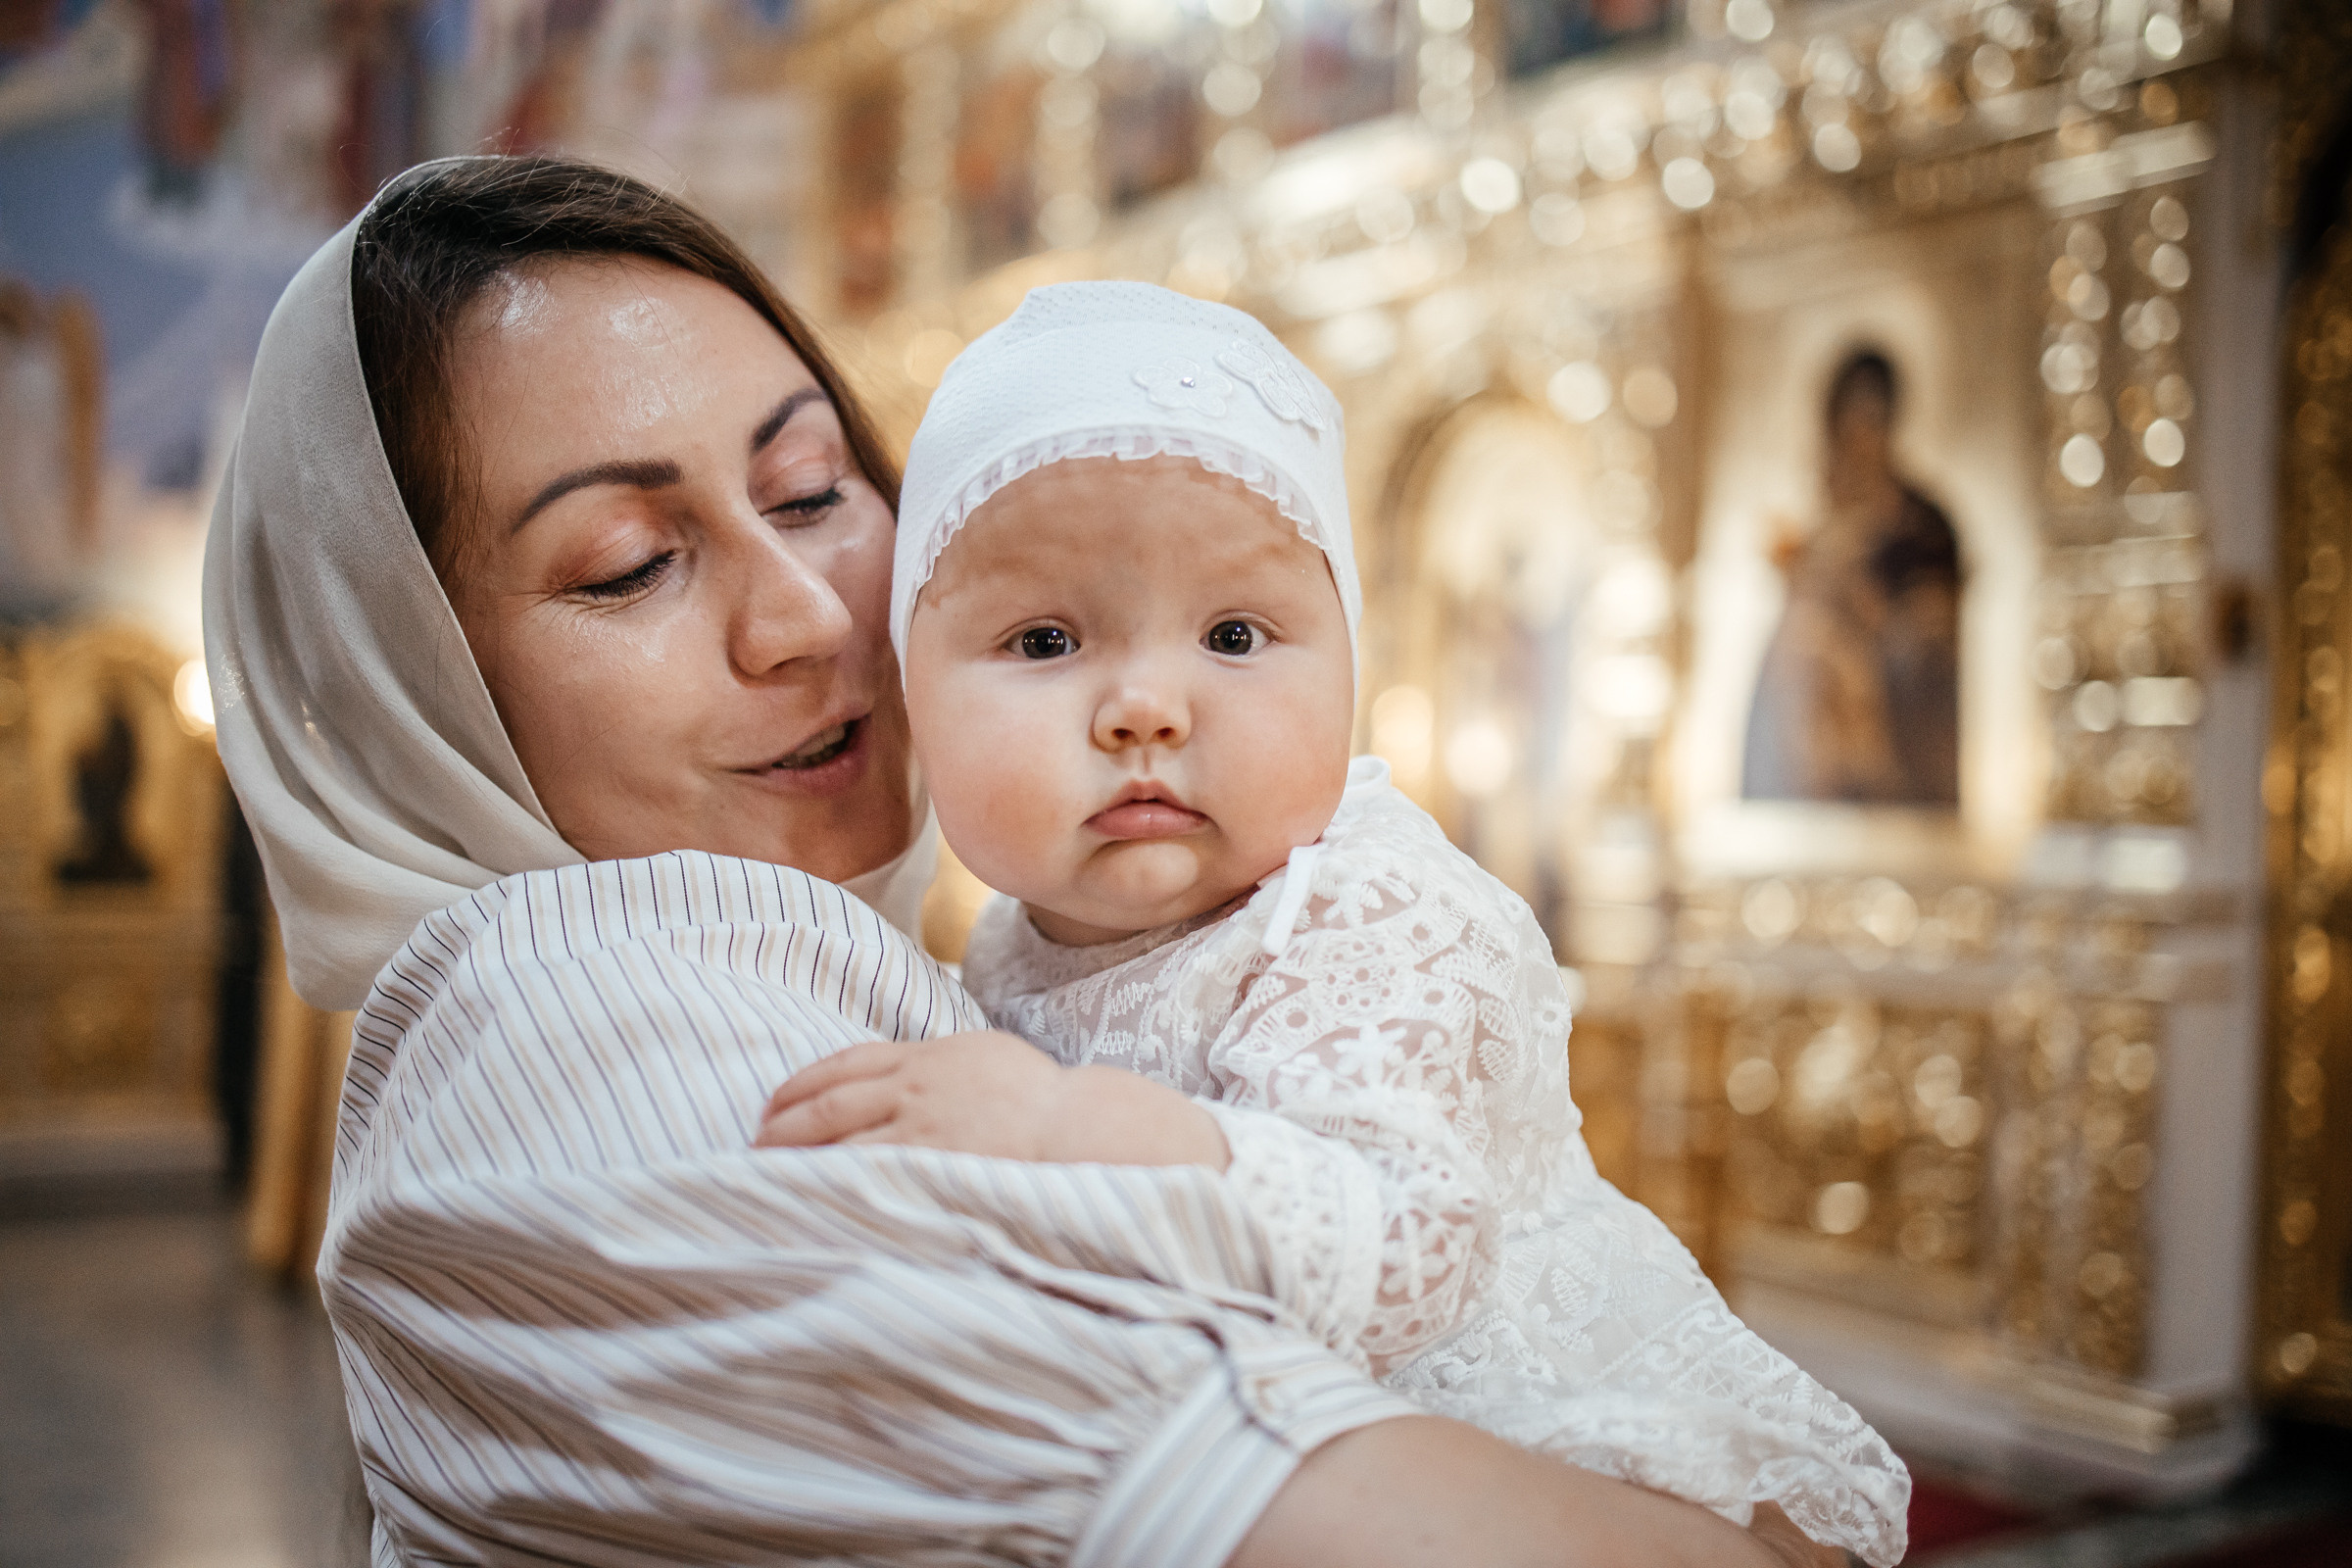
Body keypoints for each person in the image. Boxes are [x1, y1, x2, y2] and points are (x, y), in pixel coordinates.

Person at [202, 156, 1838, 1567]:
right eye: (626, 567)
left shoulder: (982, 954)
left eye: (813, 485)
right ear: (397, 676)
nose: (803, 616)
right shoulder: (568, 1023)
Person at [757, 283, 1906, 1566]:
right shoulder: (1008, 939)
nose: (1146, 706)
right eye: (1044, 638)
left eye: (1234, 634)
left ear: (1353, 665)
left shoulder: (1371, 909)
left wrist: (1059, 1128)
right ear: (910, 696)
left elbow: (1402, 1258)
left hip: (1547, 1463)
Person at [1741, 348, 1963, 806]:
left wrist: (1869, 612)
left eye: (1872, 417)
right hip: (1810, 696)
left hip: (1893, 703)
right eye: (1848, 419)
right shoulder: (1816, 519)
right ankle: (1794, 791)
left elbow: (1931, 633)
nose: (1859, 436)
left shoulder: (1921, 526)